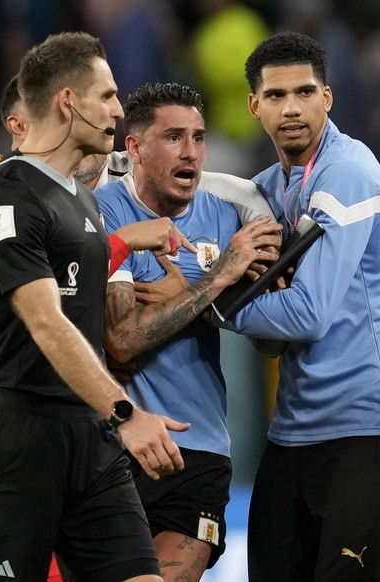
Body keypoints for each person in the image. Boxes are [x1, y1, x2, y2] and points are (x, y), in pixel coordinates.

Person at [0, 75, 179, 582]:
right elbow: (44, 310)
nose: (110, 115)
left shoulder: (80, 209)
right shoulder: (0, 201)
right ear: (24, 126)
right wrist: (126, 245)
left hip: (78, 446)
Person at [213, 31, 380, 581]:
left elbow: (306, 315)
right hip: (296, 428)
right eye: (277, 96)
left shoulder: (347, 173)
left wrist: (207, 303)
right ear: (254, 106)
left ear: (327, 98)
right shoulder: (271, 188)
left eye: (304, 93)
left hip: (368, 426)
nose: (291, 109)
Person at [95, 81, 282, 580]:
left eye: (199, 137)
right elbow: (122, 339)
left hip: (197, 454)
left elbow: (272, 340)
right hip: (113, 447)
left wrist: (185, 301)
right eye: (174, 137)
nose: (192, 153)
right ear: (133, 147)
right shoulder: (104, 212)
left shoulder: (229, 220)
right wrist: (219, 277)